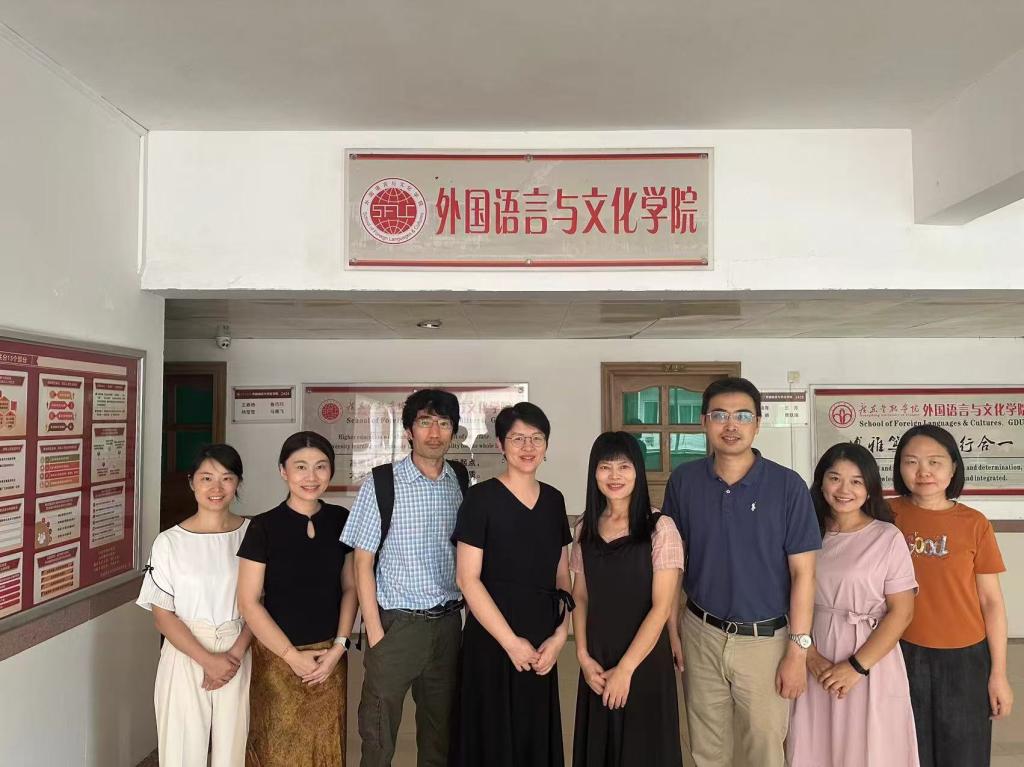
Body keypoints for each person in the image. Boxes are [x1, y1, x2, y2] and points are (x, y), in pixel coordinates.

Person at [662, 376, 820, 767]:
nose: (730, 425)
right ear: (704, 421)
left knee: (764, 749)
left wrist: (798, 651)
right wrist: (672, 629)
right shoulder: (684, 481)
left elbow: (804, 575)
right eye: (720, 415)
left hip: (765, 640)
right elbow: (672, 564)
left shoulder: (788, 486)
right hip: (700, 632)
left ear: (758, 423)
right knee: (706, 746)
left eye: (742, 415)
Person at [341, 389, 466, 767]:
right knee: (378, 733)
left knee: (440, 733)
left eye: (444, 423)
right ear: (409, 430)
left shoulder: (459, 480)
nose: (435, 432)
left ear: (454, 430)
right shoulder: (382, 483)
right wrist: (376, 633)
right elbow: (362, 563)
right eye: (425, 422)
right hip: (396, 626)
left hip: (447, 626)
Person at [450, 402, 573, 767]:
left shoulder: (554, 500)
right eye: (517, 438)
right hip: (492, 639)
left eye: (537, 438)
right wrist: (510, 643)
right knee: (491, 738)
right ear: (501, 445)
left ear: (546, 445)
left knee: (533, 734)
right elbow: (466, 578)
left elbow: (562, 577)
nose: (527, 446)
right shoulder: (480, 499)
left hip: (541, 641)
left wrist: (559, 637)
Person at [787, 442, 919, 767]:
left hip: (870, 660)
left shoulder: (887, 537)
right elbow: (788, 597)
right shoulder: (805, 533)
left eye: (856, 481)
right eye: (835, 478)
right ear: (821, 482)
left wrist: (856, 667)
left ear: (870, 488)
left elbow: (902, 612)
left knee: (869, 747)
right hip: (812, 654)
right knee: (814, 744)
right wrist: (810, 655)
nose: (844, 490)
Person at [890, 424, 1013, 767]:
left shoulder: (974, 523)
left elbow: (991, 602)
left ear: (953, 467)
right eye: (911, 462)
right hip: (899, 651)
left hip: (966, 658)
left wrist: (998, 674)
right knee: (908, 751)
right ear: (899, 468)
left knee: (965, 754)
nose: (923, 472)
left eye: (935, 461)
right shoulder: (885, 515)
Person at [237, 431, 357, 766]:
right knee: (276, 748)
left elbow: (351, 588)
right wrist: (290, 656)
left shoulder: (341, 520)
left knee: (326, 748)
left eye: (321, 466)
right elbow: (248, 601)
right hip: (277, 657)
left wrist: (340, 646)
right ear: (283, 471)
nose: (311, 476)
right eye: (300, 466)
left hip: (329, 656)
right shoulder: (263, 527)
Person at [570, 431, 684, 767]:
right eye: (605, 467)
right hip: (597, 657)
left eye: (624, 466)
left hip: (644, 659)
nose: (614, 476)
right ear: (594, 473)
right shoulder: (585, 528)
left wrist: (626, 669)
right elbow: (580, 596)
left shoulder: (660, 527)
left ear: (638, 472)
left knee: (642, 748)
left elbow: (661, 607)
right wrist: (582, 656)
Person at [137, 443, 252, 767]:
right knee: (182, 749)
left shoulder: (253, 533)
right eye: (206, 478)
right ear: (191, 482)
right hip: (185, 651)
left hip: (237, 649)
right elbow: (162, 616)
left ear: (238, 483)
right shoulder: (169, 542)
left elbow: (261, 603)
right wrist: (208, 660)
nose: (217, 488)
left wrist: (233, 656)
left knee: (233, 750)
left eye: (227, 478)